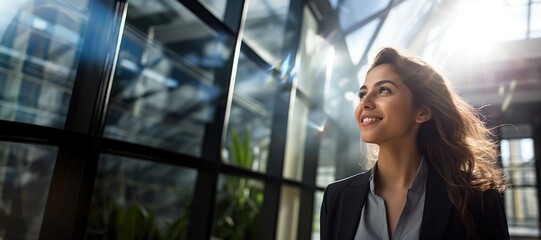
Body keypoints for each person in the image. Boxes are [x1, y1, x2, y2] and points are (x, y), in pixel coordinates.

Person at [320, 47, 509, 240]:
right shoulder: (336, 197)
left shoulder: (478, 197)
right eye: (362, 94)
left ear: (422, 112)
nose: (365, 103)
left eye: (383, 90)